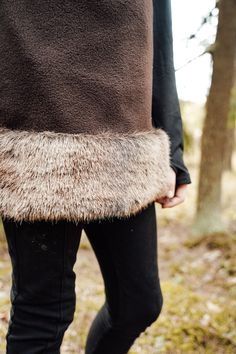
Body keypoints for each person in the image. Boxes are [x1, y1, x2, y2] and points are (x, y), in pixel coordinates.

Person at [0, 0, 191, 353]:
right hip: (34, 140)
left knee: (139, 304)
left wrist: (173, 150)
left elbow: (159, 35)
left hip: (128, 147)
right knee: (41, 313)